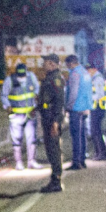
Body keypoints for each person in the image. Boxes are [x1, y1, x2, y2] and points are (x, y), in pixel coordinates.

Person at [1, 63, 42, 170]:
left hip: (30, 114)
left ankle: (32, 161)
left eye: (23, 75)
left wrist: (35, 102)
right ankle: (18, 163)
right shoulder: (9, 80)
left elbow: (37, 89)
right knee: (16, 140)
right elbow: (4, 96)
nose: (22, 77)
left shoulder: (31, 77)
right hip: (16, 115)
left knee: (31, 139)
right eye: (20, 75)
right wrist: (7, 107)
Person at [38, 54, 66, 193]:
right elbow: (46, 99)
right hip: (47, 118)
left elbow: (59, 101)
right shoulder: (49, 78)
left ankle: (56, 181)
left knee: (54, 150)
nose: (43, 64)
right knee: (50, 149)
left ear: (52, 64)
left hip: (51, 120)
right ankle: (55, 179)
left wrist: (56, 121)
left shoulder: (56, 79)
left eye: (46, 62)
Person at [64, 55, 93, 170]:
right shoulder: (85, 72)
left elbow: (73, 92)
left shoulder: (75, 74)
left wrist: (68, 107)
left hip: (76, 108)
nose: (67, 68)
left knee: (76, 135)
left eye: (67, 65)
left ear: (71, 63)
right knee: (82, 135)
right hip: (85, 107)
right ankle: (82, 160)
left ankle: (76, 162)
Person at [87, 63, 106, 160]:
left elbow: (99, 94)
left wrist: (88, 99)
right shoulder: (95, 78)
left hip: (98, 108)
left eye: (88, 71)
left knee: (96, 131)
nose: (88, 73)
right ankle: (99, 153)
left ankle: (101, 154)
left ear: (93, 69)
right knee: (95, 131)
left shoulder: (98, 79)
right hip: (96, 107)